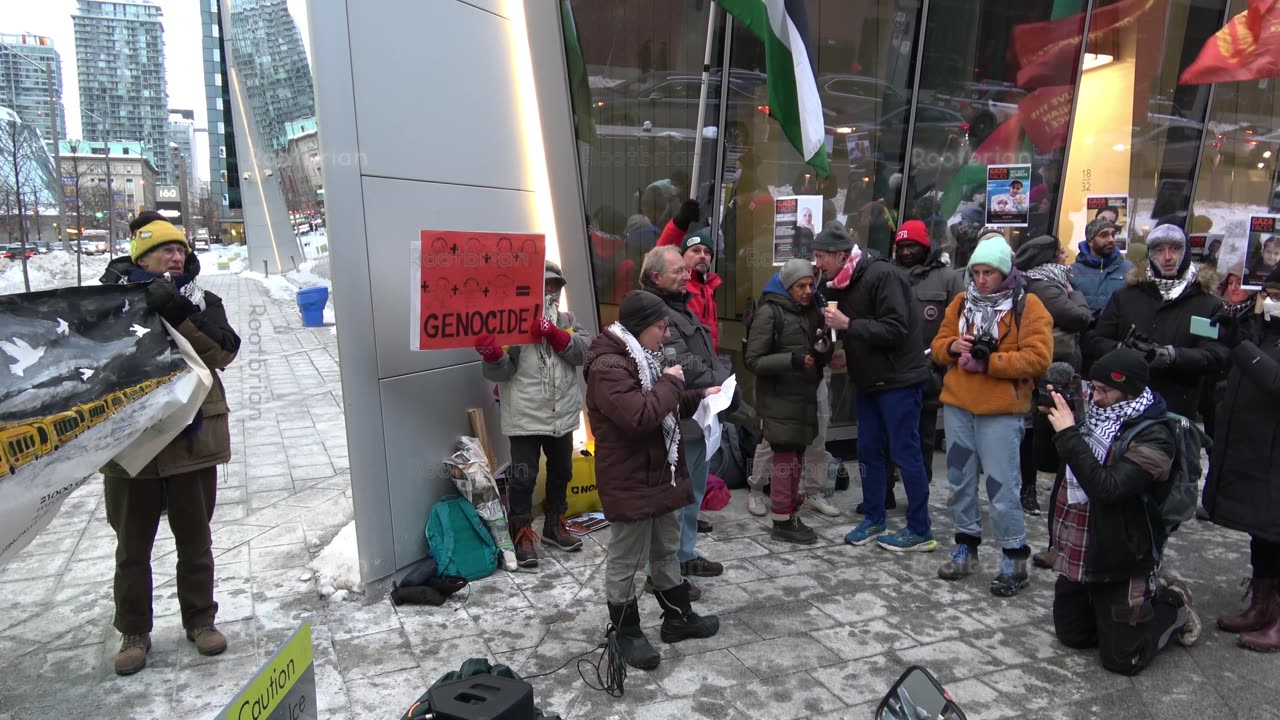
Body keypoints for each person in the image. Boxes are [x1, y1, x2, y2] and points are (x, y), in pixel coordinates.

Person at [98, 212, 240, 675]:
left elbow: (223, 353)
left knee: (195, 540)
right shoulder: (112, 299)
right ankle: (134, 632)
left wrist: (180, 312)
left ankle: (201, 621)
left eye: (180, 248)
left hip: (190, 439)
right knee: (132, 547)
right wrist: (116, 303)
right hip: (132, 442)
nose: (176, 255)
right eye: (164, 249)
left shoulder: (203, 300)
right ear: (142, 256)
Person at [1043, 347, 1201, 675]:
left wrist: (1068, 433)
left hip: (1122, 552)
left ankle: (1173, 604)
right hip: (1081, 542)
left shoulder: (1155, 437)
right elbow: (1047, 461)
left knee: (1123, 660)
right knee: (1074, 636)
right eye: (1093, 387)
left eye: (1104, 391)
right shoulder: (1089, 416)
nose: (1095, 397)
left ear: (1128, 392)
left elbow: (1108, 490)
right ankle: (1107, 607)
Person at [586, 289, 720, 670]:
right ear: (641, 327)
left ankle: (678, 617)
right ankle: (626, 632)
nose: (665, 335)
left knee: (666, 545)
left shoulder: (642, 356)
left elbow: (663, 401)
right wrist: (674, 383)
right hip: (629, 474)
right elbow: (639, 415)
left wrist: (699, 396)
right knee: (627, 557)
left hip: (659, 468)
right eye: (661, 327)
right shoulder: (607, 364)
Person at [932, 236, 1053, 595]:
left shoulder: (1028, 306)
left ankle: (1014, 556)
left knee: (1002, 486)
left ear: (1006, 272)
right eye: (977, 272)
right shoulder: (960, 302)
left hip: (1001, 409)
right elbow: (938, 345)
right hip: (958, 404)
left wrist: (991, 361)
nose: (982, 279)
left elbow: (1038, 358)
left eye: (990, 272)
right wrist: (953, 347)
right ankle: (966, 547)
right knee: (959, 481)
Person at [818, 221, 937, 553]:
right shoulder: (841, 282)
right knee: (868, 451)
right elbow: (865, 333)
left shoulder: (882, 275)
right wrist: (845, 352)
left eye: (821, 256)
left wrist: (849, 326)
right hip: (868, 380)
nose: (817, 264)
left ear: (841, 255)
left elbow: (896, 329)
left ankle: (919, 528)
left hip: (899, 381)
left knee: (905, 453)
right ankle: (874, 517)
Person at [476, 261, 590, 567]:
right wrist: (492, 354)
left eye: (554, 285)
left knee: (562, 472)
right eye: (544, 285)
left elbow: (586, 350)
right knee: (524, 478)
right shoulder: (509, 322)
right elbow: (502, 372)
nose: (549, 290)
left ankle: (555, 525)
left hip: (561, 414)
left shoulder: (567, 318)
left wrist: (556, 334)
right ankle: (522, 534)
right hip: (525, 415)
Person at [640, 246, 730, 583]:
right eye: (678, 270)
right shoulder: (654, 313)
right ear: (656, 277)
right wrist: (723, 382)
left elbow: (706, 354)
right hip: (677, 418)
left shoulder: (682, 307)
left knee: (692, 494)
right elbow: (680, 363)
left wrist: (721, 382)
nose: (685, 275)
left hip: (700, 416)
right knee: (672, 500)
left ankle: (685, 555)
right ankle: (662, 573)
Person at [1203, 270, 1280, 652]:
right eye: (1270, 292)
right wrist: (1234, 331)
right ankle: (1262, 604)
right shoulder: (1265, 327)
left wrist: (1242, 347)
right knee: (1263, 531)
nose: (1272, 300)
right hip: (1256, 447)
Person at [1089, 224, 1227, 420]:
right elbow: (1096, 341)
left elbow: (1215, 355)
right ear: (1150, 255)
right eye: (1159, 250)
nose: (1167, 257)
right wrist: (1122, 350)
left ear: (1186, 252)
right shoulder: (1125, 296)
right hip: (1124, 406)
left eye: (1175, 249)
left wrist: (1171, 356)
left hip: (1176, 406)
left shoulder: (1208, 303)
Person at [745, 259, 831, 543]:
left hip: (802, 398)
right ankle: (781, 521)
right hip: (779, 400)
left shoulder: (810, 311)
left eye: (810, 285)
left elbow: (817, 350)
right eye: (800, 286)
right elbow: (753, 360)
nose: (807, 291)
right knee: (784, 460)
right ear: (787, 286)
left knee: (795, 458)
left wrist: (823, 351)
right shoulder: (769, 313)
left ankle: (790, 514)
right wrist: (792, 360)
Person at [1014, 235, 1092, 519]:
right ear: (1048, 258)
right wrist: (1075, 294)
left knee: (1038, 427)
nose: (1066, 257)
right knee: (1047, 428)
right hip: (1053, 367)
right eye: (1061, 252)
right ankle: (1033, 489)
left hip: (1049, 365)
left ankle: (1031, 487)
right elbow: (1079, 318)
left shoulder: (1033, 282)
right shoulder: (1046, 285)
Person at [892, 220, 967, 485]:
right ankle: (884, 493)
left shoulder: (948, 278)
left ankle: (918, 496)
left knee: (923, 437)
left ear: (925, 246)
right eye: (901, 246)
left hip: (929, 369)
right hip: (891, 368)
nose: (906, 252)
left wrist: (943, 360)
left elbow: (961, 321)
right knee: (889, 434)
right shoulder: (888, 274)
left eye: (912, 246)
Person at [657, 205, 722, 352]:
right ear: (681, 256)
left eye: (707, 252)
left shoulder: (709, 287)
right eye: (695, 250)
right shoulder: (678, 284)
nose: (702, 256)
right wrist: (680, 223)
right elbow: (661, 252)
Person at [1070, 218, 1133, 364]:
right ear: (1091, 240)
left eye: (1112, 234)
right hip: (1082, 347)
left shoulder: (1129, 269)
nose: (1111, 239)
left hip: (1116, 347)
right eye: (1104, 235)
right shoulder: (1073, 271)